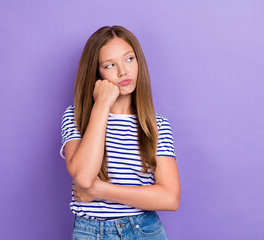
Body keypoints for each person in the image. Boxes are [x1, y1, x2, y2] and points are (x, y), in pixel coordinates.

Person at [60, 25, 180, 240]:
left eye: (129, 59)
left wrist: (100, 190)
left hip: (144, 230)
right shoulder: (76, 118)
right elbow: (84, 177)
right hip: (91, 233)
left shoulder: (155, 124)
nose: (123, 71)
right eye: (109, 65)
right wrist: (103, 103)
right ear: (96, 73)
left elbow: (170, 198)